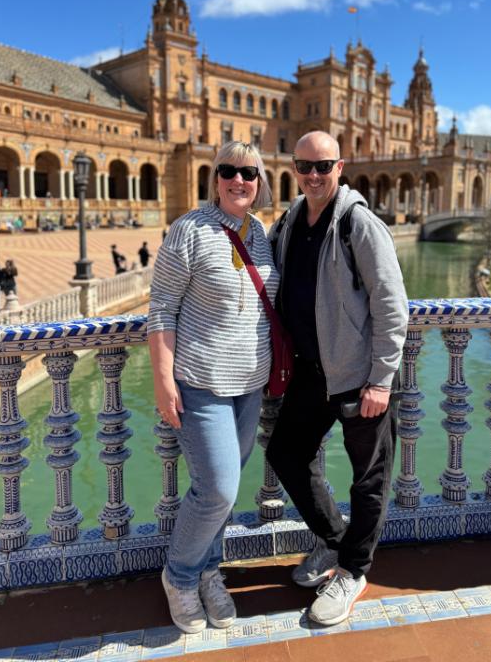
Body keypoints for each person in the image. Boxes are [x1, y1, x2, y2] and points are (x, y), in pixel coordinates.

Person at [266, 131, 409, 627]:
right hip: (311, 370)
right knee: (284, 452)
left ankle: (354, 570)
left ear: (339, 167)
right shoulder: (288, 221)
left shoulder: (358, 222)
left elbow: (392, 303)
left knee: (369, 477)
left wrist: (381, 379)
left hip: (359, 376)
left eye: (322, 166)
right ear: (294, 168)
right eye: (304, 166)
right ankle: (332, 539)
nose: (312, 174)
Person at [148, 140, 278, 634]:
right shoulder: (189, 230)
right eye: (229, 171)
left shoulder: (261, 233)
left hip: (250, 384)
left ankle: (206, 570)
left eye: (249, 172)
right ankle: (179, 577)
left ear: (260, 181)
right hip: (201, 382)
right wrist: (163, 379)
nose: (238, 180)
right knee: (219, 488)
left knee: (220, 490)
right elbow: (161, 306)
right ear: (214, 177)